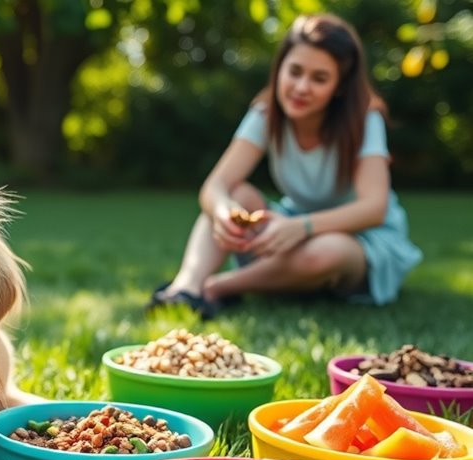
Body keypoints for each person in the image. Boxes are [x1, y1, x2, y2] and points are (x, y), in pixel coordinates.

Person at [148, 13, 422, 319]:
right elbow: (216, 186)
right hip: (293, 221)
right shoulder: (265, 115)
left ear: (340, 86)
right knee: (237, 194)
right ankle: (185, 288)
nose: (302, 87)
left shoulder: (364, 120)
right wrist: (222, 210)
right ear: (279, 70)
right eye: (295, 72)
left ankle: (218, 288)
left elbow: (374, 208)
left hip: (361, 239)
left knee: (326, 251)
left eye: (319, 78)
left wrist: (303, 228)